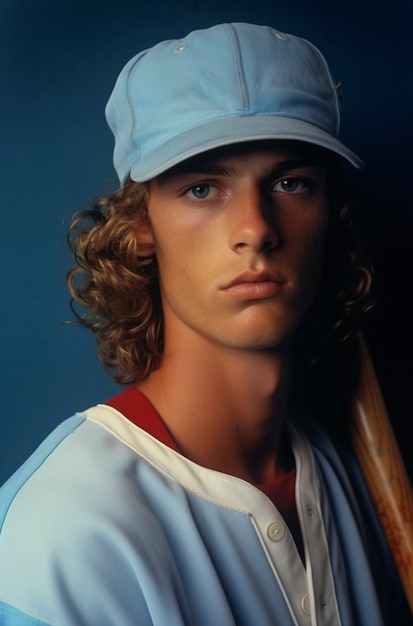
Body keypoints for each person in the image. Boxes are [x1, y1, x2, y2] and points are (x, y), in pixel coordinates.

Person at [0, 22, 409, 626]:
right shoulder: (59, 532)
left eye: (290, 182)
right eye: (201, 188)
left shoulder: (337, 467)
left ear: (331, 213)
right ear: (140, 227)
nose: (256, 228)